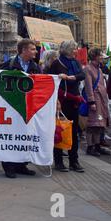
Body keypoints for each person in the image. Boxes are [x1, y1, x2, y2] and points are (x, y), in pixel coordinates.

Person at [0, 39, 40, 179]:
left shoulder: (35, 66)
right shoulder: (8, 64)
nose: (36, 51)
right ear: (24, 50)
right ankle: (9, 166)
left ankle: (21, 165)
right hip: (10, 106)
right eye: (33, 49)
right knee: (10, 137)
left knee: (25, 136)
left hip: (27, 107)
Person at [49, 40, 86, 173]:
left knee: (74, 132)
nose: (76, 51)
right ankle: (58, 161)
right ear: (68, 50)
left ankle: (73, 161)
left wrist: (73, 77)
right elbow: (50, 80)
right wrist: (59, 77)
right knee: (59, 131)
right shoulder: (56, 63)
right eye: (74, 49)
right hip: (62, 101)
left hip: (74, 100)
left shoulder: (76, 62)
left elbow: (82, 75)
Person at [84, 48, 111, 157]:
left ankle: (97, 145)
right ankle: (90, 147)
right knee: (92, 124)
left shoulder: (99, 69)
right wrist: (91, 102)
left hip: (102, 100)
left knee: (99, 124)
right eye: (100, 55)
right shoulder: (88, 69)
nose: (102, 57)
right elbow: (89, 87)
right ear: (95, 56)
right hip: (95, 100)